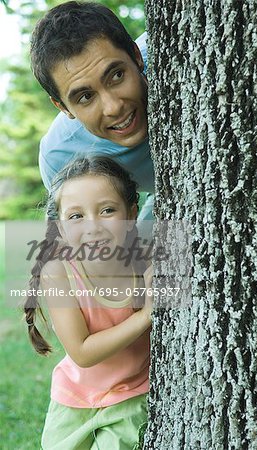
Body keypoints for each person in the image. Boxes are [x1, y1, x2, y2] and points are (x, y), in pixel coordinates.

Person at [24, 155, 153, 449]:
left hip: (132, 396)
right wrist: (145, 316)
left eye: (107, 210)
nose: (93, 226)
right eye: (76, 216)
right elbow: (81, 351)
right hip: (73, 396)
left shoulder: (145, 261)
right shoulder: (59, 272)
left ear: (131, 213)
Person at [30, 1, 154, 224]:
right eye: (85, 97)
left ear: (137, 56)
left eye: (116, 76)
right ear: (63, 107)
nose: (113, 107)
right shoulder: (61, 157)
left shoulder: (177, 54)